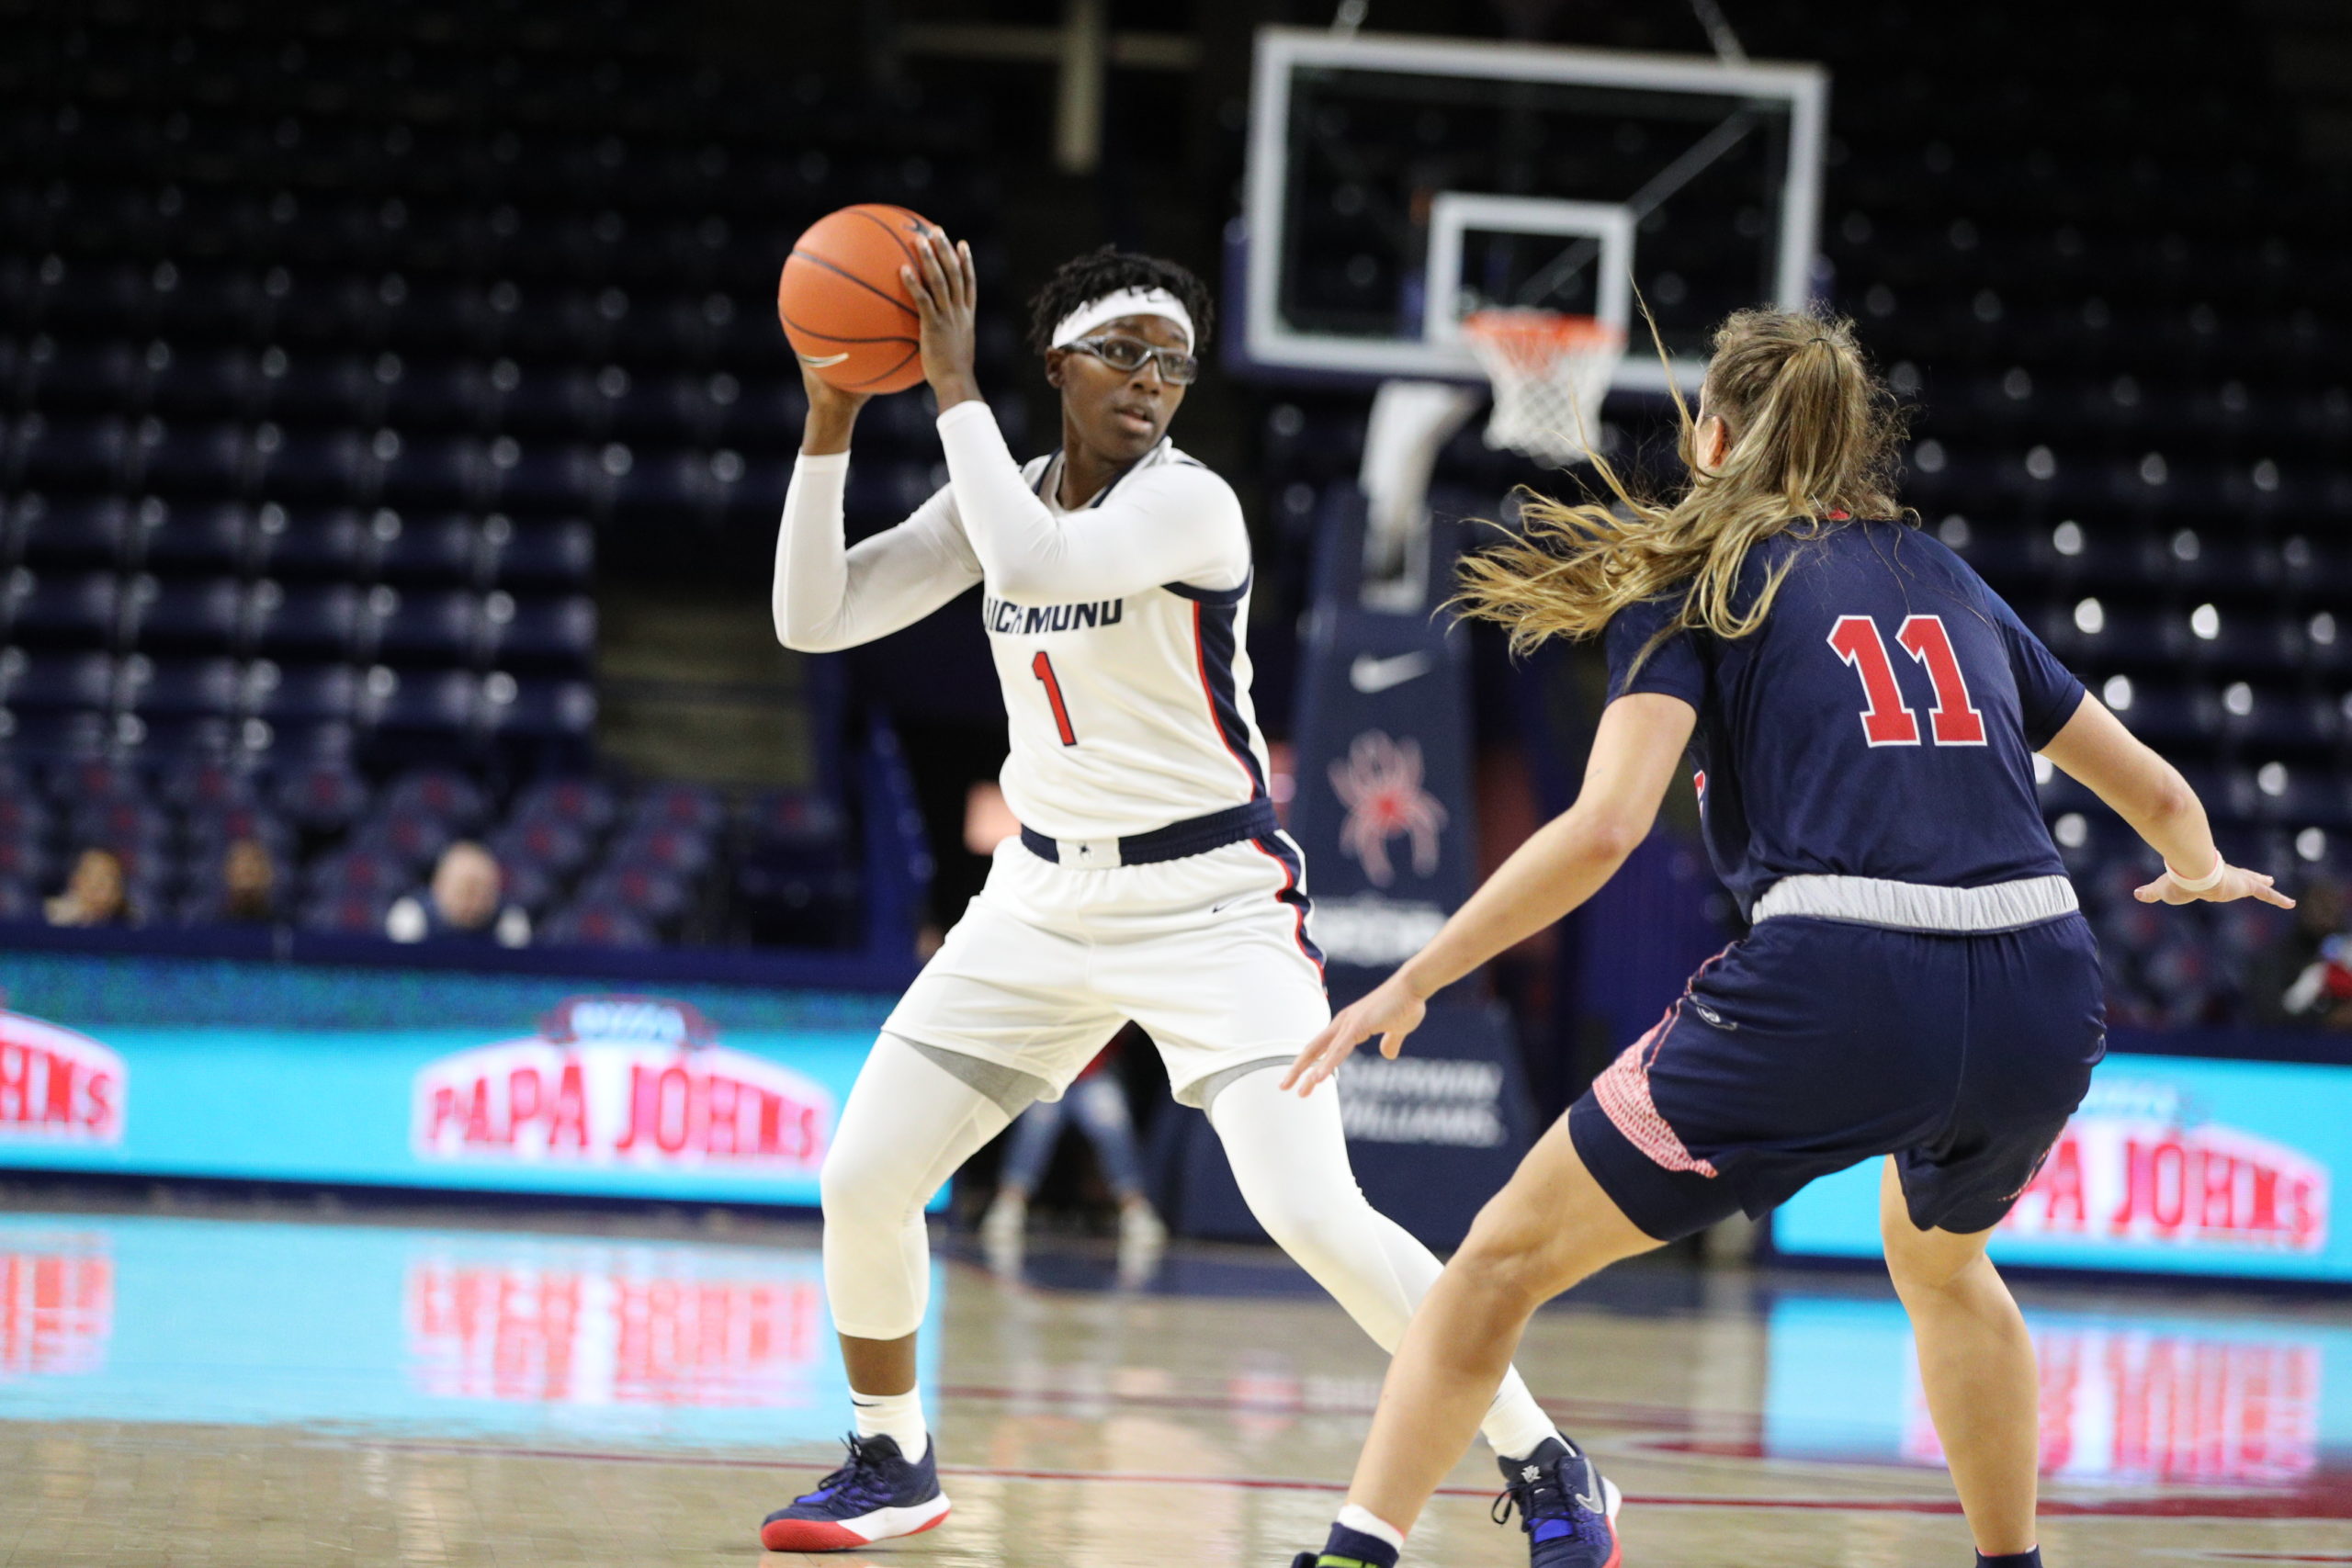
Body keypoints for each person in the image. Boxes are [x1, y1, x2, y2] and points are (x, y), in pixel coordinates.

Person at [1278, 308, 2295, 1568]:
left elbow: (1604, 830)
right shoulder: (1947, 577)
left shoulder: (1699, 577)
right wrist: (2199, 871)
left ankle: (1353, 1554)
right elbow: (2160, 796)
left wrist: (1419, 976)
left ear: (1710, 438)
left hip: (1842, 978)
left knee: (1493, 1265)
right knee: (1944, 1267)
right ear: (1856, 445)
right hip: (2042, 981)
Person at [759, 235, 1566, 1552]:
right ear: (1059, 361)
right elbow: (814, 615)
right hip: (1038, 899)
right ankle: (889, 1455)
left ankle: (1542, 1454)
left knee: (1315, 1216)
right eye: (1124, 353)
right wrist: (832, 417)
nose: (1150, 380)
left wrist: (950, 381)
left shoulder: (1191, 504)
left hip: (1210, 902)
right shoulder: (999, 495)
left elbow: (1034, 564)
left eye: (1174, 365)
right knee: (863, 1177)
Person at [980, 1030, 1167, 1255]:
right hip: (1047, 1073)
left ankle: (1135, 1208)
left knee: (1109, 1116)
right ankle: (1009, 1204)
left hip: (1092, 1074)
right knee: (1038, 1119)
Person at [386, 840, 530, 947]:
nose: (474, 903)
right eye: (464, 892)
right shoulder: (411, 915)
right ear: (439, 886)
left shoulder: (510, 921)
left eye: (483, 893)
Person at [45, 847, 129, 927]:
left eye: (108, 877)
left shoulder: (127, 925)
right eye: (92, 874)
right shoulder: (50, 916)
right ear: (75, 880)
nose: (98, 884)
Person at [219, 837, 277, 923]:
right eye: (240, 861)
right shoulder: (208, 923)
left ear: (268, 873)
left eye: (255, 859)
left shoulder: (286, 924)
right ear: (227, 871)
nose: (247, 867)